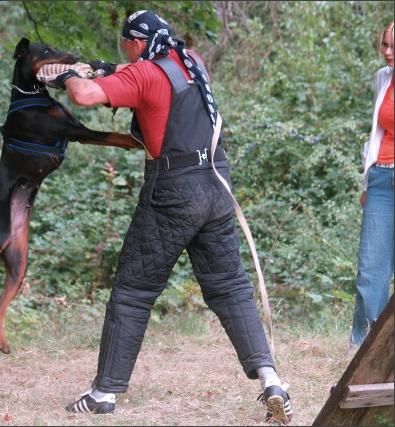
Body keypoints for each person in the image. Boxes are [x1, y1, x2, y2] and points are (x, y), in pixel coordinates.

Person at [51, 10, 292, 423]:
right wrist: (107, 68)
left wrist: (65, 76)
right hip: (216, 184)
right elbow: (141, 72)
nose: (122, 52)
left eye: (124, 44)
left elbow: (85, 96)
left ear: (137, 43)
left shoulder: (144, 76)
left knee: (133, 290)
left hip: (174, 191)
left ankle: (103, 393)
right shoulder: (191, 60)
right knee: (231, 286)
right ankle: (272, 383)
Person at [350, 21, 394, 348]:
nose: (387, 52)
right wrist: (368, 182)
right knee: (370, 275)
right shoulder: (383, 77)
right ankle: (362, 355)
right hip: (380, 179)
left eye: (393, 47)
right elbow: (375, 133)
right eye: (384, 44)